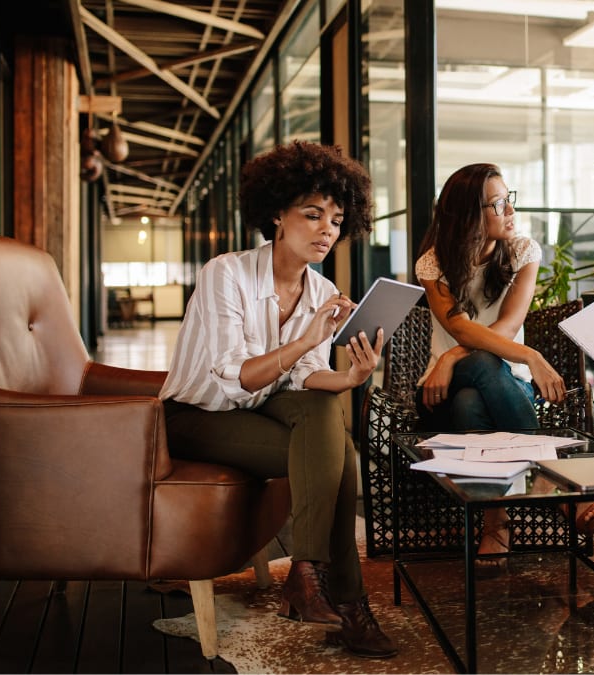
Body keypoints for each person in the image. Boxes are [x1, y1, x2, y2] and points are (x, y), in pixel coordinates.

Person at [159, 141, 397, 659]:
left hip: (266, 403)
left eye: (336, 219)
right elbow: (234, 379)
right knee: (341, 455)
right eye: (312, 215)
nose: (326, 229)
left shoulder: (321, 288)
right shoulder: (226, 273)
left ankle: (307, 575)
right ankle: (351, 608)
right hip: (198, 414)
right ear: (277, 215)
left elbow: (309, 379)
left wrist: (352, 377)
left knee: (325, 416)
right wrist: (306, 340)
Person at [414, 162, 594, 574]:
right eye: (497, 204)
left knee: (473, 402)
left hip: (498, 384)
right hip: (440, 389)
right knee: (474, 378)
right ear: (469, 215)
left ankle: (495, 524)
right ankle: (557, 491)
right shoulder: (433, 263)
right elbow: (458, 327)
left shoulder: (523, 252)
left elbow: (506, 326)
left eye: (509, 199)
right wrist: (531, 356)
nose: (510, 211)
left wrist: (453, 354)